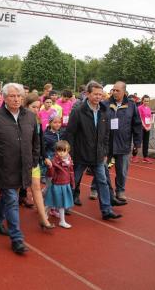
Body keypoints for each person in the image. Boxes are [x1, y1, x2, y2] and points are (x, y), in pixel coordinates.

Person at [0, 83, 38, 254]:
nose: (16, 99)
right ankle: (17, 239)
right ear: (4, 97)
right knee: (11, 199)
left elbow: (36, 142)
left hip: (23, 166)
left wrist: (34, 160)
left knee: (8, 197)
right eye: (12, 96)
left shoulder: (30, 117)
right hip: (4, 167)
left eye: (19, 95)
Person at [65, 81, 122, 220]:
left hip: (98, 155)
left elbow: (106, 134)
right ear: (88, 94)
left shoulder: (104, 111)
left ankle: (107, 210)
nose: (98, 97)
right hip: (80, 154)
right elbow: (70, 133)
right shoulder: (78, 111)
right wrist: (70, 154)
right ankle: (63, 206)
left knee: (102, 182)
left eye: (100, 94)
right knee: (73, 181)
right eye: (95, 94)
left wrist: (104, 152)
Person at [92, 81, 142, 202]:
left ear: (124, 91)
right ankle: (94, 188)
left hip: (123, 143)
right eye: (113, 90)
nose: (114, 92)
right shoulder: (104, 104)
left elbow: (137, 124)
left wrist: (137, 143)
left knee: (122, 170)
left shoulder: (131, 105)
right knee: (101, 167)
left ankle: (120, 191)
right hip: (106, 143)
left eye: (117, 90)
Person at [24, 93, 54, 229]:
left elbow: (40, 141)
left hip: (34, 160)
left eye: (38, 107)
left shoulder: (38, 121)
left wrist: (45, 156)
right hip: (21, 161)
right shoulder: (20, 120)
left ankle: (43, 219)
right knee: (12, 192)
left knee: (36, 187)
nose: (36, 110)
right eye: (33, 107)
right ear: (26, 106)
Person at [45, 141, 74, 228]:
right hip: (57, 184)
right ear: (56, 151)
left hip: (65, 184)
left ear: (68, 151)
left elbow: (71, 172)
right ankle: (44, 214)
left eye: (64, 151)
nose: (61, 153)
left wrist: (72, 182)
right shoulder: (54, 161)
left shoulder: (69, 160)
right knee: (51, 202)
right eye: (59, 151)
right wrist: (50, 167)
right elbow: (50, 174)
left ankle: (62, 221)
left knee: (61, 204)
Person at [132, 95, 153, 163]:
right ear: (142, 101)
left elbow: (150, 118)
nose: (146, 102)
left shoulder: (149, 108)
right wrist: (144, 126)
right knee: (138, 142)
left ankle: (145, 157)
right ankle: (134, 156)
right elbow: (140, 118)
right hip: (140, 127)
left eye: (147, 101)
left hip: (147, 128)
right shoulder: (139, 108)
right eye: (145, 101)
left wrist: (149, 126)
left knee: (146, 142)